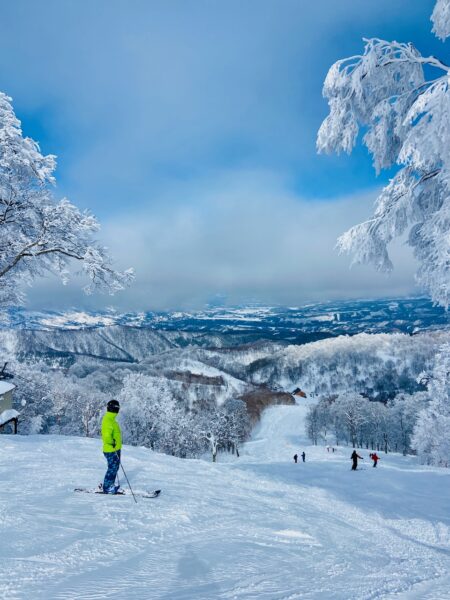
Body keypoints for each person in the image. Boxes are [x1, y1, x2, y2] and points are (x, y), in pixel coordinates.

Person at [101, 399, 123, 494]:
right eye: (117, 408)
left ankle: (110, 484)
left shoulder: (112, 419)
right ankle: (107, 487)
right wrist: (112, 442)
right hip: (111, 449)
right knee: (112, 468)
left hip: (115, 449)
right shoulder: (108, 420)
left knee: (114, 467)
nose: (118, 410)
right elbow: (106, 436)